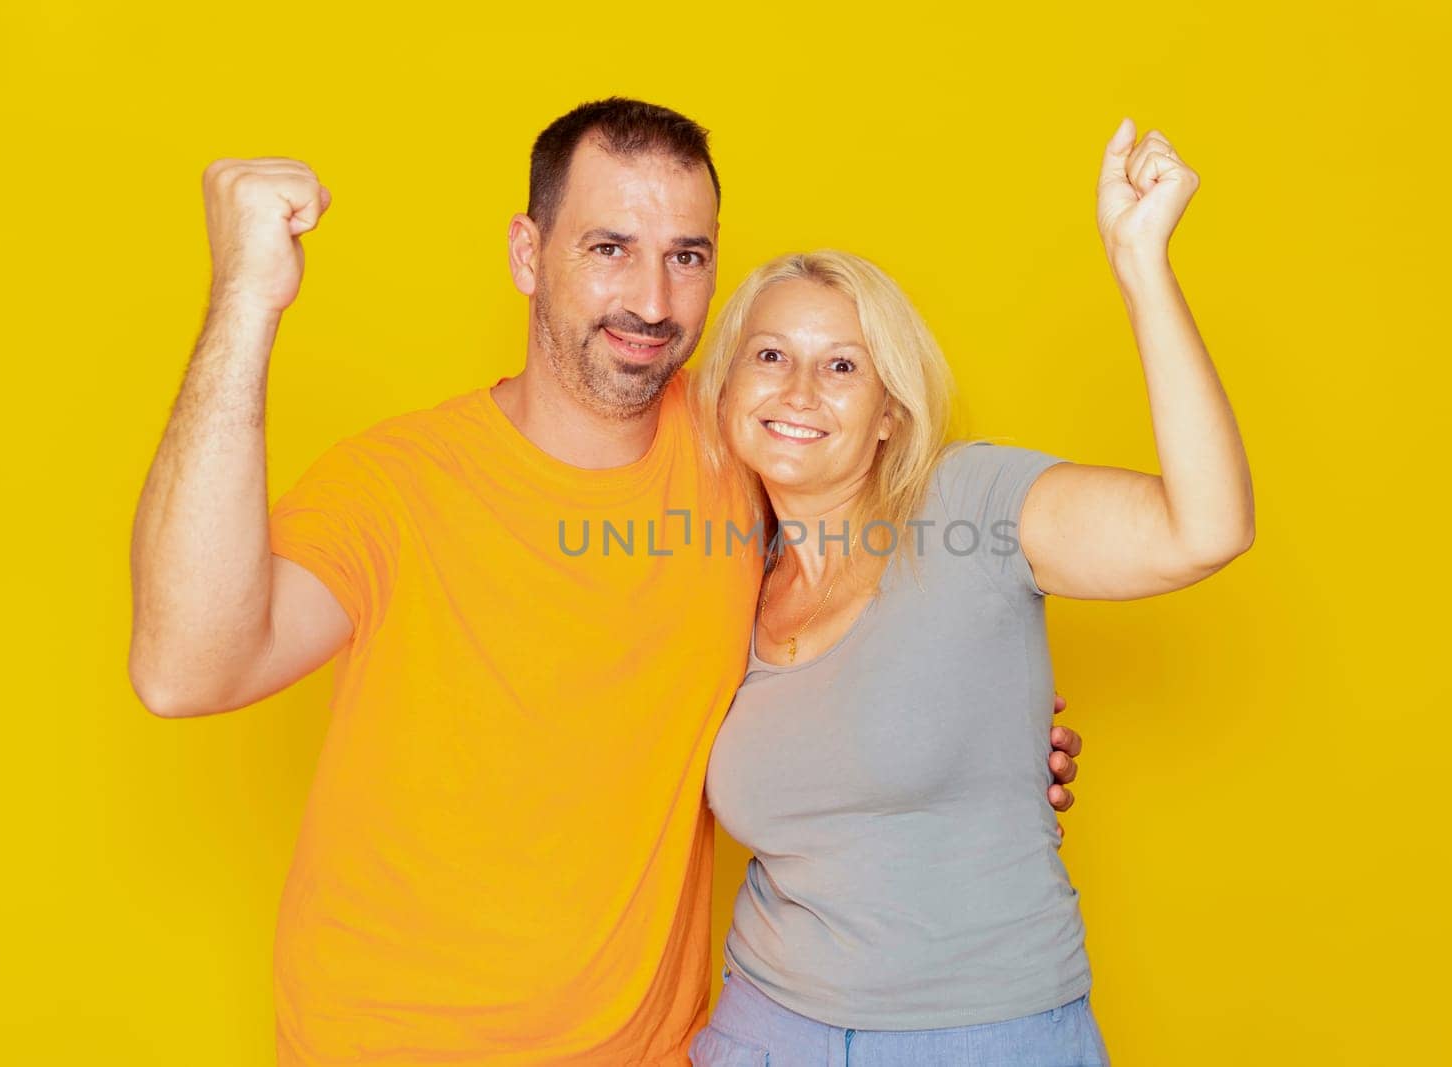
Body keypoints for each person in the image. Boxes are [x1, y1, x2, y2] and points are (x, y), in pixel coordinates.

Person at [126, 98, 1083, 1065]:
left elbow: (876, 594)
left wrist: (978, 735)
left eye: (687, 256)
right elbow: (185, 671)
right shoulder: (396, 485)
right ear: (526, 254)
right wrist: (245, 303)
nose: (654, 302)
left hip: (651, 1051)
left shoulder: (741, 454)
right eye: (610, 248)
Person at [686, 122, 1253, 1065]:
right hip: (763, 1029)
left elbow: (1205, 528)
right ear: (728, 383)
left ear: (888, 415)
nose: (799, 390)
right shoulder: (721, 570)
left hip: (984, 1036)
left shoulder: (971, 505)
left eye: (842, 366)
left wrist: (1139, 262)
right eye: (770, 354)